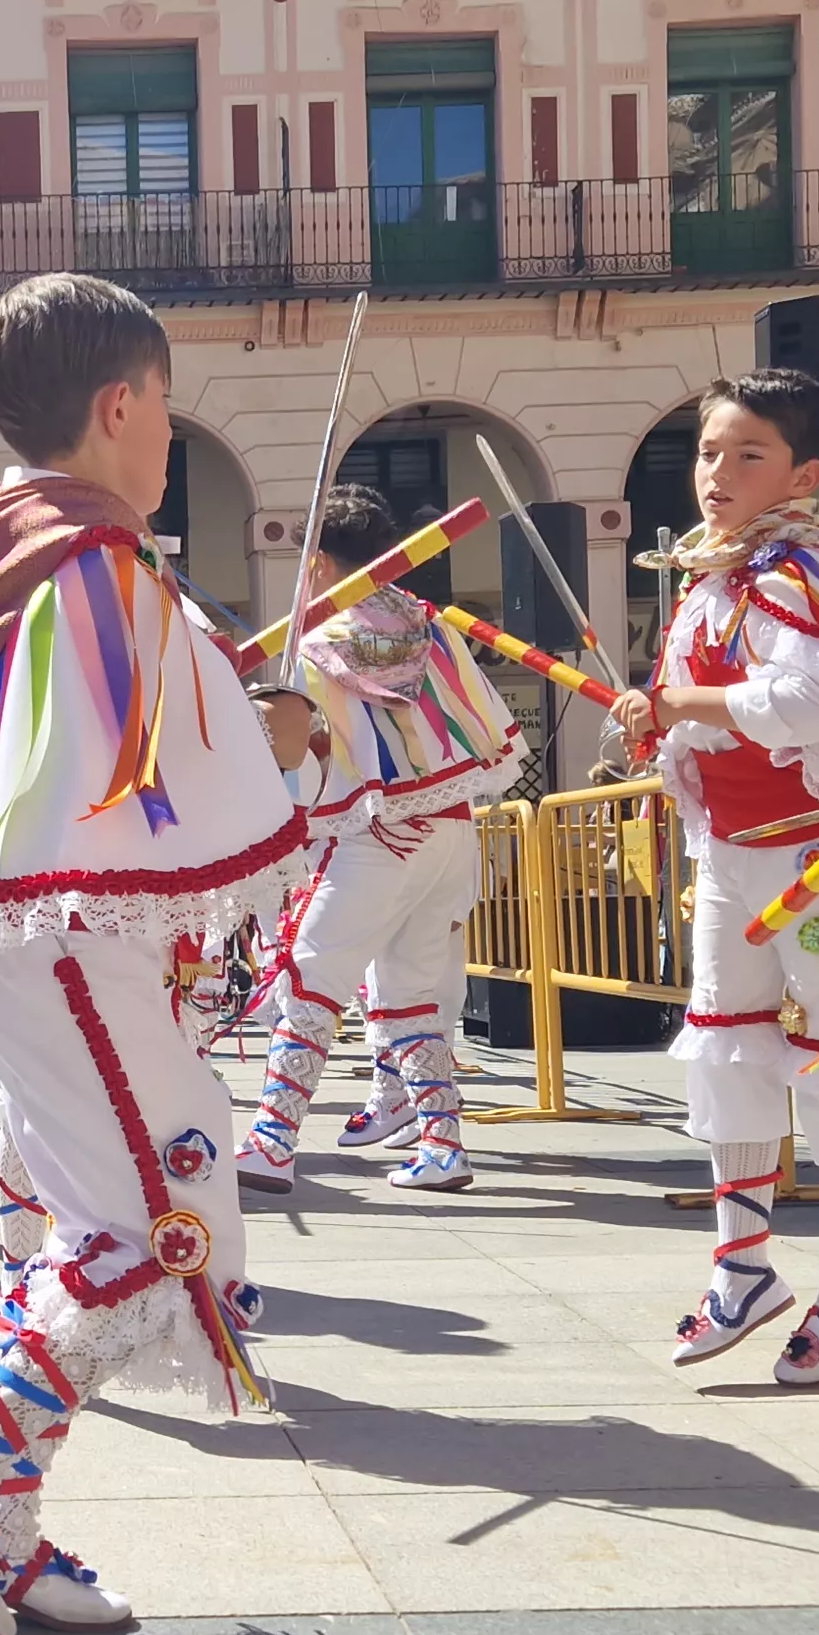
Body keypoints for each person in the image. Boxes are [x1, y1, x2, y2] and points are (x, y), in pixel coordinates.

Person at [0, 273, 304, 1635]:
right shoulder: (91, 564)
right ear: (118, 407)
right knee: (157, 1222)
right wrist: (275, 743)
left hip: (38, 941)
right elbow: (168, 762)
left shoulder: (14, 550)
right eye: (164, 406)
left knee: (119, 1207)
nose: (172, 434)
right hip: (62, 946)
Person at [601, 372, 819, 1385]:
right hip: (731, 853)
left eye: (746, 455)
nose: (715, 475)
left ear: (804, 475)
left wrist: (682, 698)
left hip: (813, 859)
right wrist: (660, 716)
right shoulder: (715, 578)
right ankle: (741, 1268)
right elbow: (716, 706)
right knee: (726, 1050)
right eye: (706, 453)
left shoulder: (792, 569)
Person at [232, 483, 523, 1196]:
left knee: (312, 976)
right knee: (409, 994)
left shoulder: (317, 642)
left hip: (379, 836)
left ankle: (272, 1139)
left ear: (322, 562)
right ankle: (443, 1146)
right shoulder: (435, 628)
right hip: (451, 833)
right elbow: (486, 732)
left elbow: (303, 758)